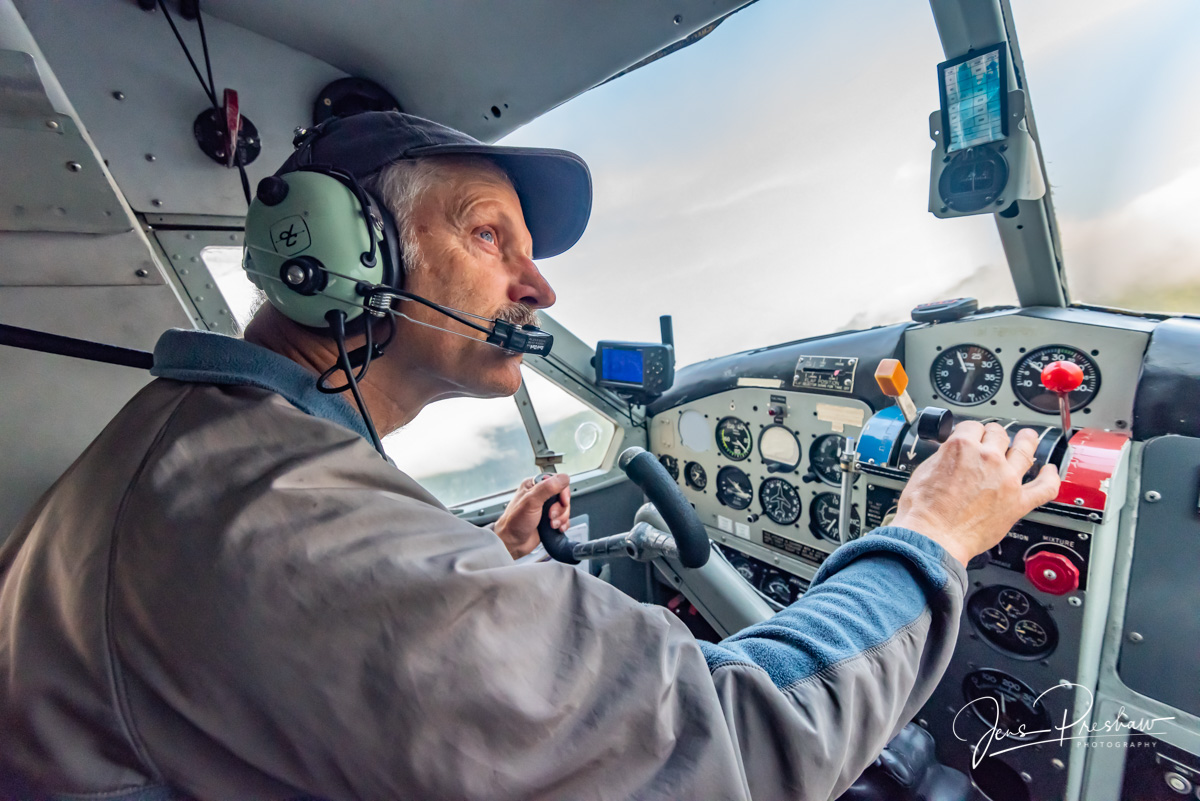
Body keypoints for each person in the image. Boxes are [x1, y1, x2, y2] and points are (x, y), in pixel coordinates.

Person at [0, 111, 1060, 801]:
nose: (539, 289)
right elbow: (730, 746)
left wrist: (502, 578)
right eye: (489, 236)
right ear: (341, 254)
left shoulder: (201, 447)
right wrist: (931, 531)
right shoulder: (274, 513)